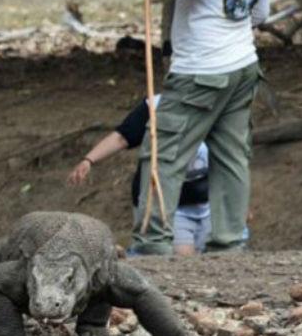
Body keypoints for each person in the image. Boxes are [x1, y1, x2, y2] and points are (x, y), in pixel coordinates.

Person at [132, 0, 270, 254]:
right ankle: (229, 242)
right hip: (243, 67)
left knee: (164, 151)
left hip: (201, 71)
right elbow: (259, 13)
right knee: (231, 156)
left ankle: (152, 242)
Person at [67, 95, 212, 256]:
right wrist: (89, 160)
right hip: (165, 203)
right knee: (181, 256)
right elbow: (122, 138)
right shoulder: (155, 106)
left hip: (210, 200)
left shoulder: (221, 101)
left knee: (213, 255)